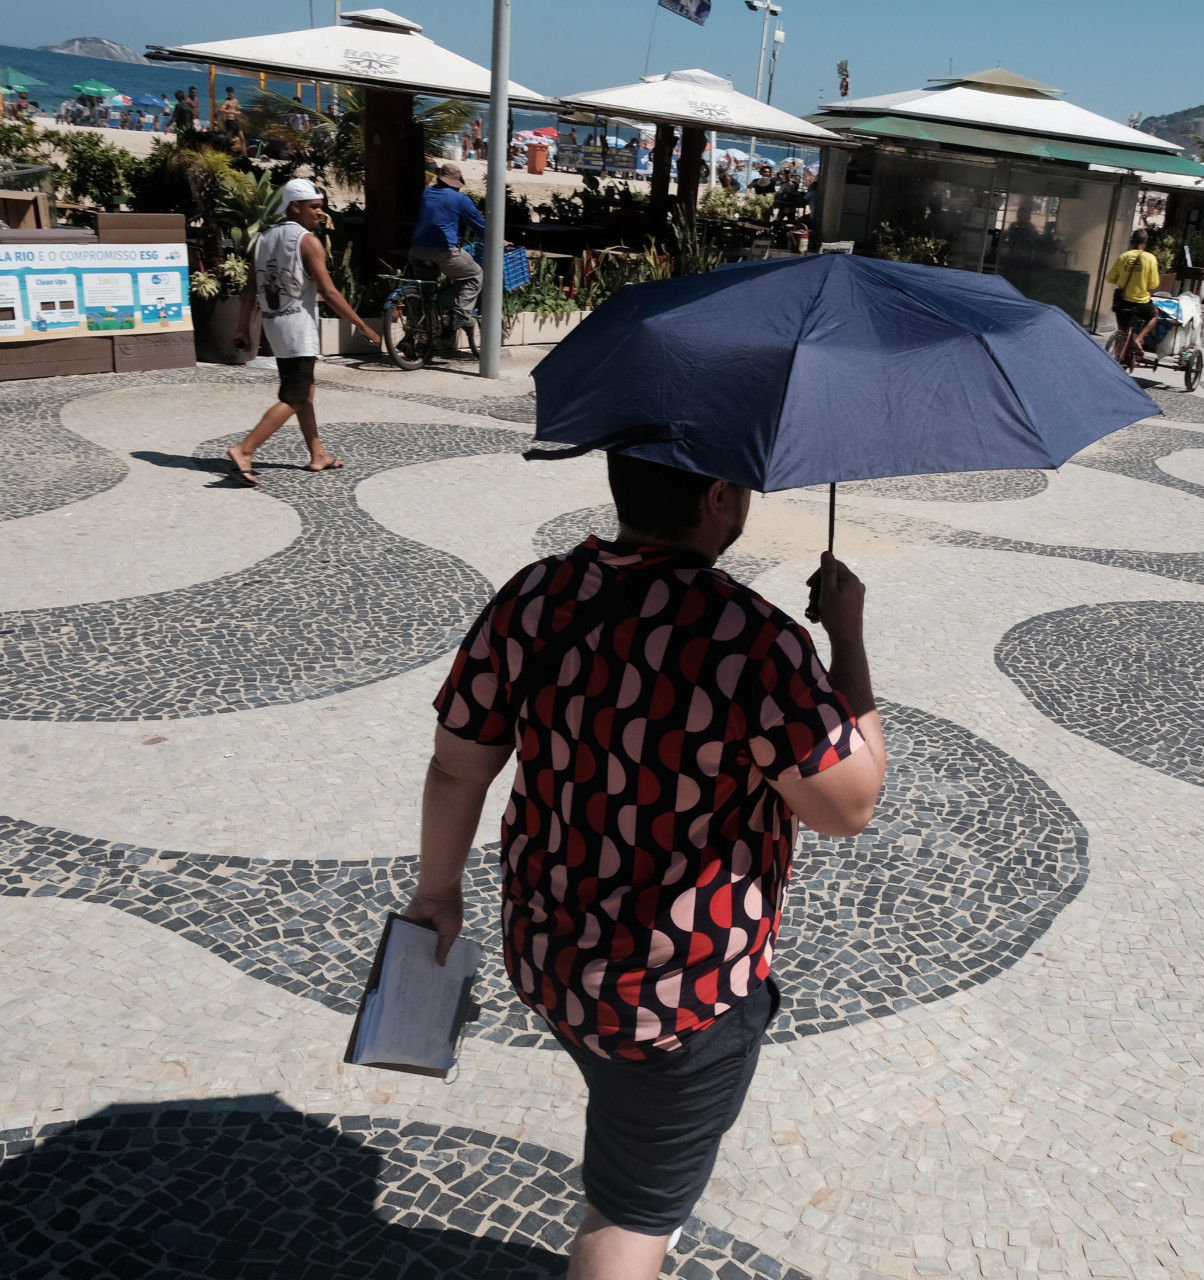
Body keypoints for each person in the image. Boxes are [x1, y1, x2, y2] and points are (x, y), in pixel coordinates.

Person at [407, 454, 885, 1280]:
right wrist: (848, 637)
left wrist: (437, 893)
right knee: (632, 1214)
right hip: (681, 997)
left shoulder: (533, 595)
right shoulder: (752, 637)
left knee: (622, 1113)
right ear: (717, 495)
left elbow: (458, 765)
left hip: (549, 957)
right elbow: (848, 806)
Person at [225, 180, 382, 484]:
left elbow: (249, 291)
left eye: (321, 206)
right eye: (314, 206)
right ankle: (245, 449)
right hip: (298, 330)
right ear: (294, 206)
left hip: (275, 327)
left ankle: (317, 454)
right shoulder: (307, 241)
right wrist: (362, 325)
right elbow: (330, 292)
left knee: (304, 393)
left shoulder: (263, 239)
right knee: (295, 397)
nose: (320, 213)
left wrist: (243, 328)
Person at [408, 162, 487, 337]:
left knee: (424, 294)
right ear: (456, 184)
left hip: (417, 251)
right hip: (443, 252)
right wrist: (498, 239)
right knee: (475, 275)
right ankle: (459, 315)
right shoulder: (460, 199)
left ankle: (412, 337)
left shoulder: (427, 193)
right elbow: (480, 226)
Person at [1106, 228, 1161, 364]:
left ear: (1131, 242)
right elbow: (1154, 284)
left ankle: (1120, 352)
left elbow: (1110, 278)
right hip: (1141, 302)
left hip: (1123, 301)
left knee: (1122, 328)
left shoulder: (1123, 257)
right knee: (1154, 315)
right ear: (1145, 242)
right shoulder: (1150, 258)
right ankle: (1139, 339)